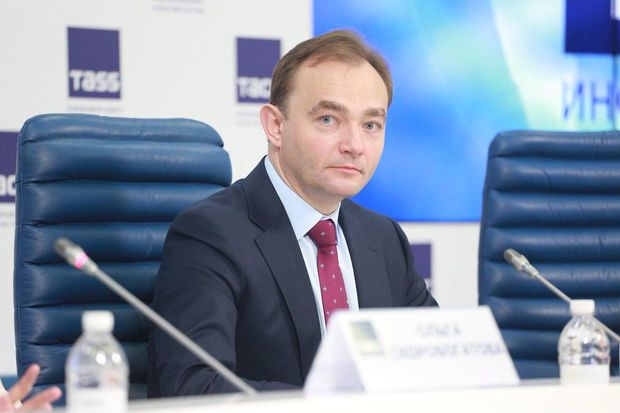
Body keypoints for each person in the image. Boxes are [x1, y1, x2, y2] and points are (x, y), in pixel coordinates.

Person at [148, 29, 437, 397]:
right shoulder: (209, 235)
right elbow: (195, 386)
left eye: (370, 125)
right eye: (329, 119)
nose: (354, 145)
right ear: (276, 126)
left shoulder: (384, 238)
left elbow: (434, 364)